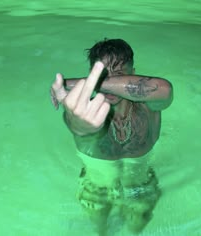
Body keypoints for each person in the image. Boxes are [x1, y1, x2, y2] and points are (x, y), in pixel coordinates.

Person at [50, 38, 173, 235]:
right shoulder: (86, 110)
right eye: (102, 76)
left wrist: (73, 83)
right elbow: (77, 124)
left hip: (140, 182)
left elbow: (165, 90)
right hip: (96, 185)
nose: (109, 86)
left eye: (118, 77)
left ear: (133, 75)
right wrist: (80, 127)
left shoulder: (149, 106)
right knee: (101, 229)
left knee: (136, 229)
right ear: (92, 76)